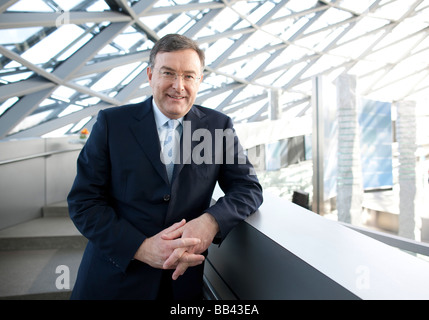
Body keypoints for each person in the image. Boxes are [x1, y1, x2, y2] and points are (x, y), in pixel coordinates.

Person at [67, 33, 263, 300]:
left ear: (200, 80)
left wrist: (211, 221)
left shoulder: (219, 126)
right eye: (168, 73)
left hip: (181, 285)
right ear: (150, 75)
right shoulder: (113, 124)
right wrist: (141, 248)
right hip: (114, 281)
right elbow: (83, 202)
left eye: (189, 76)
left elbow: (248, 188)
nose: (178, 86)